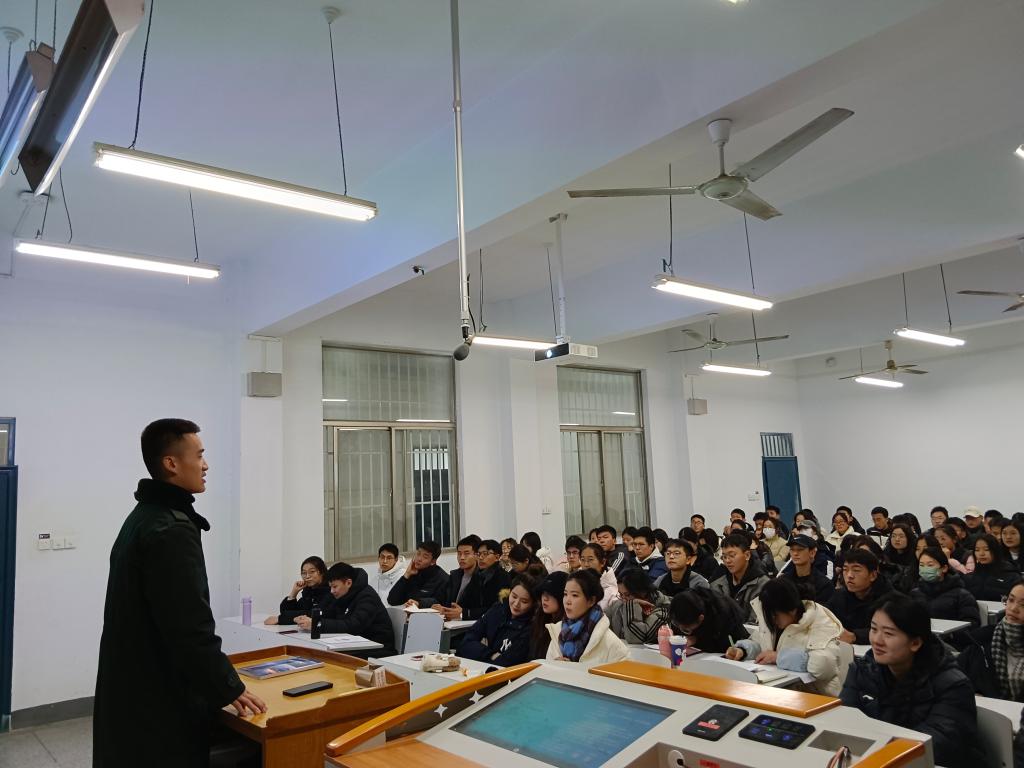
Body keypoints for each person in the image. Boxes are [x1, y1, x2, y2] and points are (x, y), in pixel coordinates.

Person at [94, 419, 265, 768]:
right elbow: (189, 626)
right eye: (199, 455)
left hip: (130, 694)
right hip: (158, 701)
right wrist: (229, 687)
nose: (206, 465)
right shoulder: (171, 529)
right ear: (171, 463)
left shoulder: (143, 517)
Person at [840, 594, 987, 768]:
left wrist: (876, 746)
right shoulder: (863, 669)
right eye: (873, 629)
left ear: (915, 643)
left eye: (888, 633)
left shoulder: (952, 685)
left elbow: (939, 746)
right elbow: (844, 722)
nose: (877, 640)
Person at [726, 579, 846, 696]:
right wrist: (743, 650)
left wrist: (778, 657)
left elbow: (823, 665)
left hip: (816, 696)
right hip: (781, 693)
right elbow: (761, 643)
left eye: (775, 615)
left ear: (792, 610)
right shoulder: (774, 620)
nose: (772, 620)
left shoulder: (820, 622)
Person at [298, 562, 397, 657]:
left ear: (348, 583)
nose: (332, 591)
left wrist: (318, 624)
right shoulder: (341, 593)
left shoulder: (367, 597)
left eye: (335, 587)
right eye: (330, 587)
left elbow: (353, 626)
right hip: (353, 644)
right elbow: (326, 613)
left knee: (326, 657)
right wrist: (307, 619)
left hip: (378, 649)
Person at [958, 582, 1024, 701]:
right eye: (1011, 600)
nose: (1013, 608)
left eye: (1023, 605)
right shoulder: (981, 641)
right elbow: (956, 679)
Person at [546, 569, 629, 663]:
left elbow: (625, 668)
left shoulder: (608, 641)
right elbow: (547, 667)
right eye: (565, 594)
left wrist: (573, 669)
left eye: (574, 595)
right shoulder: (558, 632)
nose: (567, 601)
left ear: (591, 601)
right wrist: (555, 666)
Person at [459, 575, 539, 667]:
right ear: (509, 592)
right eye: (514, 596)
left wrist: (479, 650)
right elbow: (466, 642)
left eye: (524, 601)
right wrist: (490, 654)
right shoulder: (497, 610)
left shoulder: (531, 628)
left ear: (533, 604)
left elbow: (507, 662)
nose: (516, 604)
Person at [826, 549, 892, 644]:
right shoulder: (839, 595)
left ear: (873, 575)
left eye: (856, 570)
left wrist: (855, 636)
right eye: (845, 569)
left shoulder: (890, 600)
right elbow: (826, 617)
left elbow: (889, 630)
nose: (849, 575)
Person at [910, 547, 980, 630]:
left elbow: (972, 623)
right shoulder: (915, 594)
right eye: (921, 565)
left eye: (930, 565)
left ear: (944, 568)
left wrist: (950, 632)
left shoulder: (962, 595)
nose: (925, 569)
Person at [668, 586, 750, 654]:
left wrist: (695, 640)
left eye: (686, 630)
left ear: (700, 618)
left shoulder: (724, 614)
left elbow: (725, 646)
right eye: (676, 624)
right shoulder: (680, 606)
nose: (681, 630)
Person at [710, 532, 770, 623]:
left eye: (732, 555)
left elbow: (755, 623)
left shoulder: (762, 585)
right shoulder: (718, 584)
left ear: (747, 555)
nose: (727, 560)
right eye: (724, 556)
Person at [606, 569, 671, 645]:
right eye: (620, 594)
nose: (623, 599)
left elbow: (635, 639)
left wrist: (633, 605)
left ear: (643, 592)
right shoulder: (618, 605)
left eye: (627, 595)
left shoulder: (663, 609)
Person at [265, 556, 331, 625]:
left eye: (312, 572)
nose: (307, 576)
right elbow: (285, 612)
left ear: (322, 572)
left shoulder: (330, 590)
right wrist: (294, 593)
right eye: (304, 573)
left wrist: (280, 619)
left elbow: (313, 613)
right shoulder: (308, 592)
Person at [386, 540, 449, 607]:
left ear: (433, 561)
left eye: (425, 557)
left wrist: (419, 603)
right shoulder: (412, 574)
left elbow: (441, 602)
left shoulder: (444, 579)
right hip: (409, 613)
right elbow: (392, 600)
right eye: (418, 554)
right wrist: (406, 575)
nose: (419, 559)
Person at [431, 536, 479, 621]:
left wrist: (462, 613)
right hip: (450, 621)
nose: (462, 557)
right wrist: (439, 606)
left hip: (469, 622)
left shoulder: (481, 578)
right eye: (459, 553)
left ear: (476, 555)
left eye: (466, 553)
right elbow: (441, 598)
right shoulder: (455, 576)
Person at [778, 534, 834, 604]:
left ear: (812, 553)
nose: (795, 553)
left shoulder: (823, 584)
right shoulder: (783, 580)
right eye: (792, 549)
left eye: (800, 549)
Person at [964, 533, 1021, 601]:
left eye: (986, 549)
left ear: (995, 550)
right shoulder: (971, 576)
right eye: (977, 550)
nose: (981, 554)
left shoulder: (1011, 574)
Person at [470, 539, 513, 617]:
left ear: (497, 557)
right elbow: (467, 600)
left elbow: (499, 607)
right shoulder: (476, 575)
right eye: (478, 554)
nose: (480, 557)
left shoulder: (503, 577)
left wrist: (467, 613)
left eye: (485, 554)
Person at [531, 572, 567, 658]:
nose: (545, 598)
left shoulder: (565, 628)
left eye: (551, 594)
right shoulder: (539, 621)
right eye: (543, 593)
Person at [580, 542, 619, 609]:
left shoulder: (612, 593)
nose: (586, 564)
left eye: (590, 560)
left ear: (603, 562)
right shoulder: (577, 583)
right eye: (582, 560)